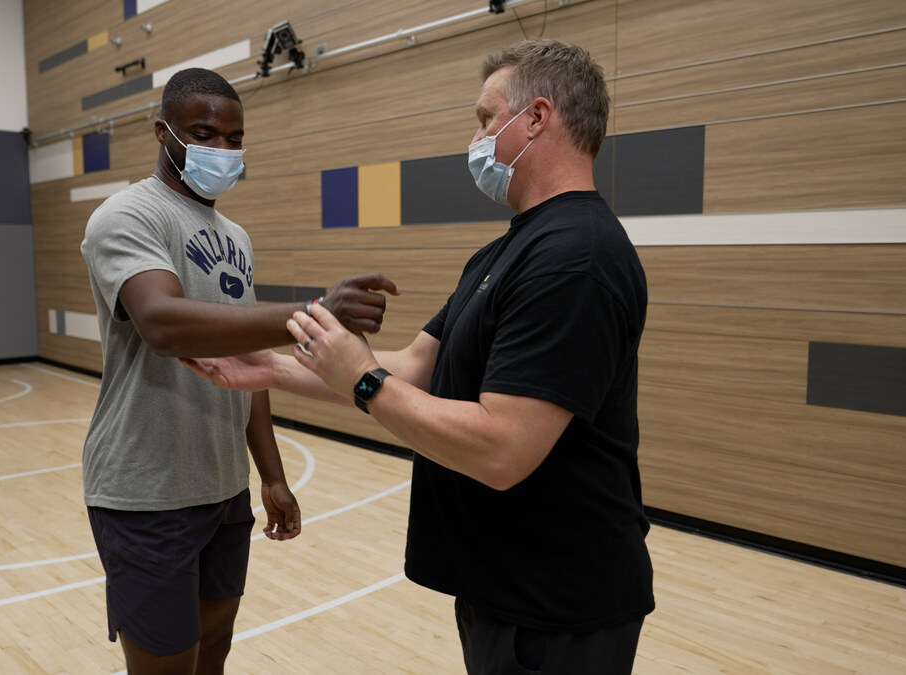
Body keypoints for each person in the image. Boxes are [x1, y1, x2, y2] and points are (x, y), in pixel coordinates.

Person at [184, 39, 653, 673]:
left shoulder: (576, 257)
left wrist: (364, 379)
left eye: (487, 119)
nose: (477, 137)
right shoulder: (505, 252)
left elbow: (503, 448)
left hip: (558, 606)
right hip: (503, 590)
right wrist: (269, 369)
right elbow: (416, 369)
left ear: (537, 118)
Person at [79, 67, 397, 674]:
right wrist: (312, 315)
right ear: (162, 132)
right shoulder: (126, 217)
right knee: (168, 662)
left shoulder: (237, 238)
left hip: (222, 490)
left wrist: (271, 477)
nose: (222, 150)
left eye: (234, 138)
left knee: (216, 646)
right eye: (204, 134)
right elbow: (164, 324)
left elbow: (249, 368)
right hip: (146, 490)